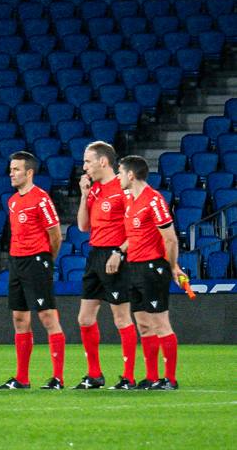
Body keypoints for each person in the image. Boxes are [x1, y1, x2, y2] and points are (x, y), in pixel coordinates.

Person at [0, 150, 67, 391]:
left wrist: (48, 259)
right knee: (19, 318)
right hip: (17, 262)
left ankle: (58, 378)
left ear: (29, 172)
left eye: (16, 169)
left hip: (37, 261)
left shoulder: (41, 198)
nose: (11, 173)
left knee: (47, 317)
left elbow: (55, 234)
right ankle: (22, 378)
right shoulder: (13, 201)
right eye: (11, 169)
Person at [74, 140, 137, 390]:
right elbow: (82, 226)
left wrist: (120, 253)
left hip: (116, 256)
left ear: (103, 161)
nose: (84, 166)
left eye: (87, 161)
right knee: (84, 318)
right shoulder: (96, 190)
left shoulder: (123, 189)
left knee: (121, 318)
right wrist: (84, 195)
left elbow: (137, 228)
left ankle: (128, 377)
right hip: (94, 256)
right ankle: (94, 375)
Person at [116, 155, 183, 390]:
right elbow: (134, 236)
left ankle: (170, 379)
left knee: (160, 322)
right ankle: (152, 376)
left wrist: (172, 266)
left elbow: (171, 239)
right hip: (134, 267)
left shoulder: (153, 200)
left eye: (120, 172)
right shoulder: (131, 200)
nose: (118, 176)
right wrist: (120, 252)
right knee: (143, 324)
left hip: (152, 268)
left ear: (131, 175)